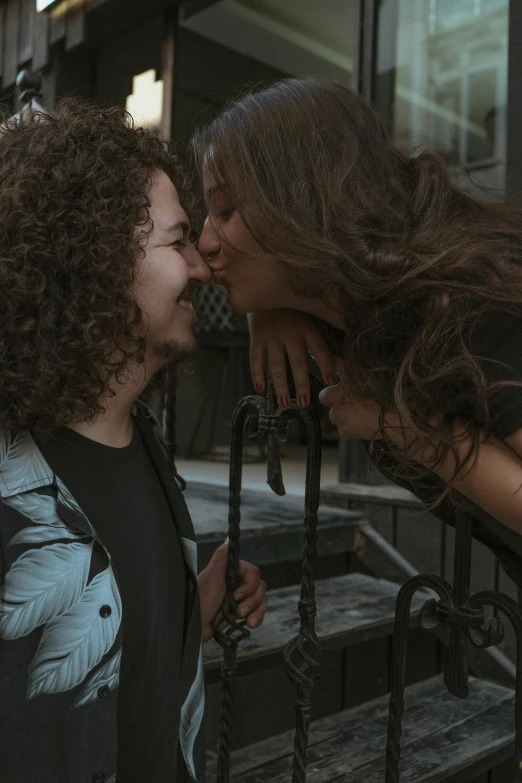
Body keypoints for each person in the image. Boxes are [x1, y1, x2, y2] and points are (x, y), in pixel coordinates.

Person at [0, 99, 267, 783]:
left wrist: (188, 609)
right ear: (96, 260)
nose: (203, 269)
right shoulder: (11, 492)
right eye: (177, 243)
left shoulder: (146, 444)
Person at [194, 76, 522, 588]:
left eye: (227, 210)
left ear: (303, 198)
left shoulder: (464, 296)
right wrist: (273, 305)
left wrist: (404, 427)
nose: (203, 242)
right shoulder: (349, 310)